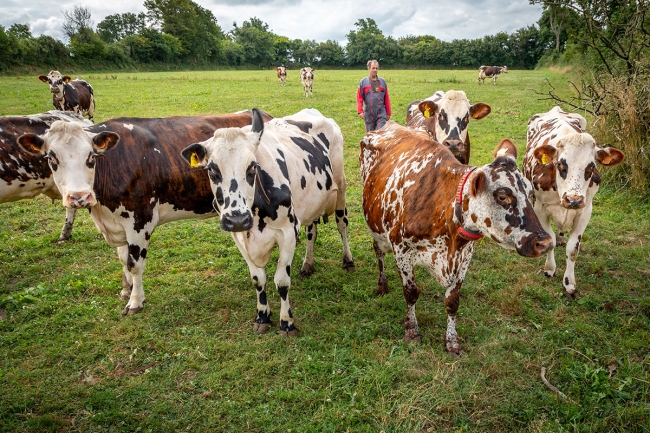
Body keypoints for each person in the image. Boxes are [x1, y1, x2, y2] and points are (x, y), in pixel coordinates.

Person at [357, 59, 392, 132]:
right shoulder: (363, 82)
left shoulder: (382, 82)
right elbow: (359, 98)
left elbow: (387, 98)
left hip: (381, 113)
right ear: (368, 68)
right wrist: (360, 111)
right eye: (373, 68)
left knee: (381, 134)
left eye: (376, 68)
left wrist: (388, 113)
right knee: (370, 135)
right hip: (369, 113)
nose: (375, 70)